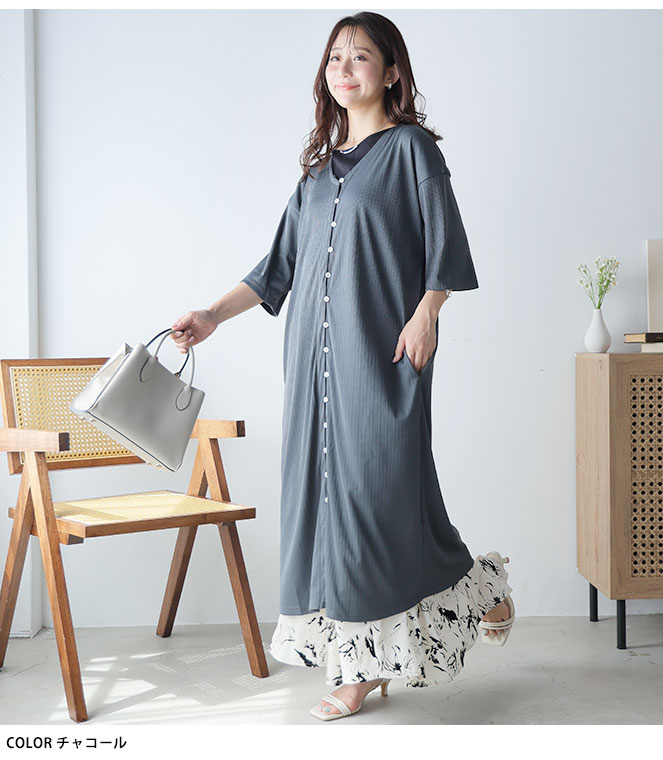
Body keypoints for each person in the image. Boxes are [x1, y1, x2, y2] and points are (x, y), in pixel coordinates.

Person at [170, 11, 514, 722]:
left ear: (391, 72)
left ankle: (471, 593)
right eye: (334, 58)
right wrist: (210, 314)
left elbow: (445, 244)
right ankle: (363, 665)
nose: (344, 68)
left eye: (360, 56)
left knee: (386, 503)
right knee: (328, 512)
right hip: (313, 369)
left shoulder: (411, 150)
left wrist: (428, 312)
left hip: (382, 358)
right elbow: (275, 270)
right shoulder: (318, 176)